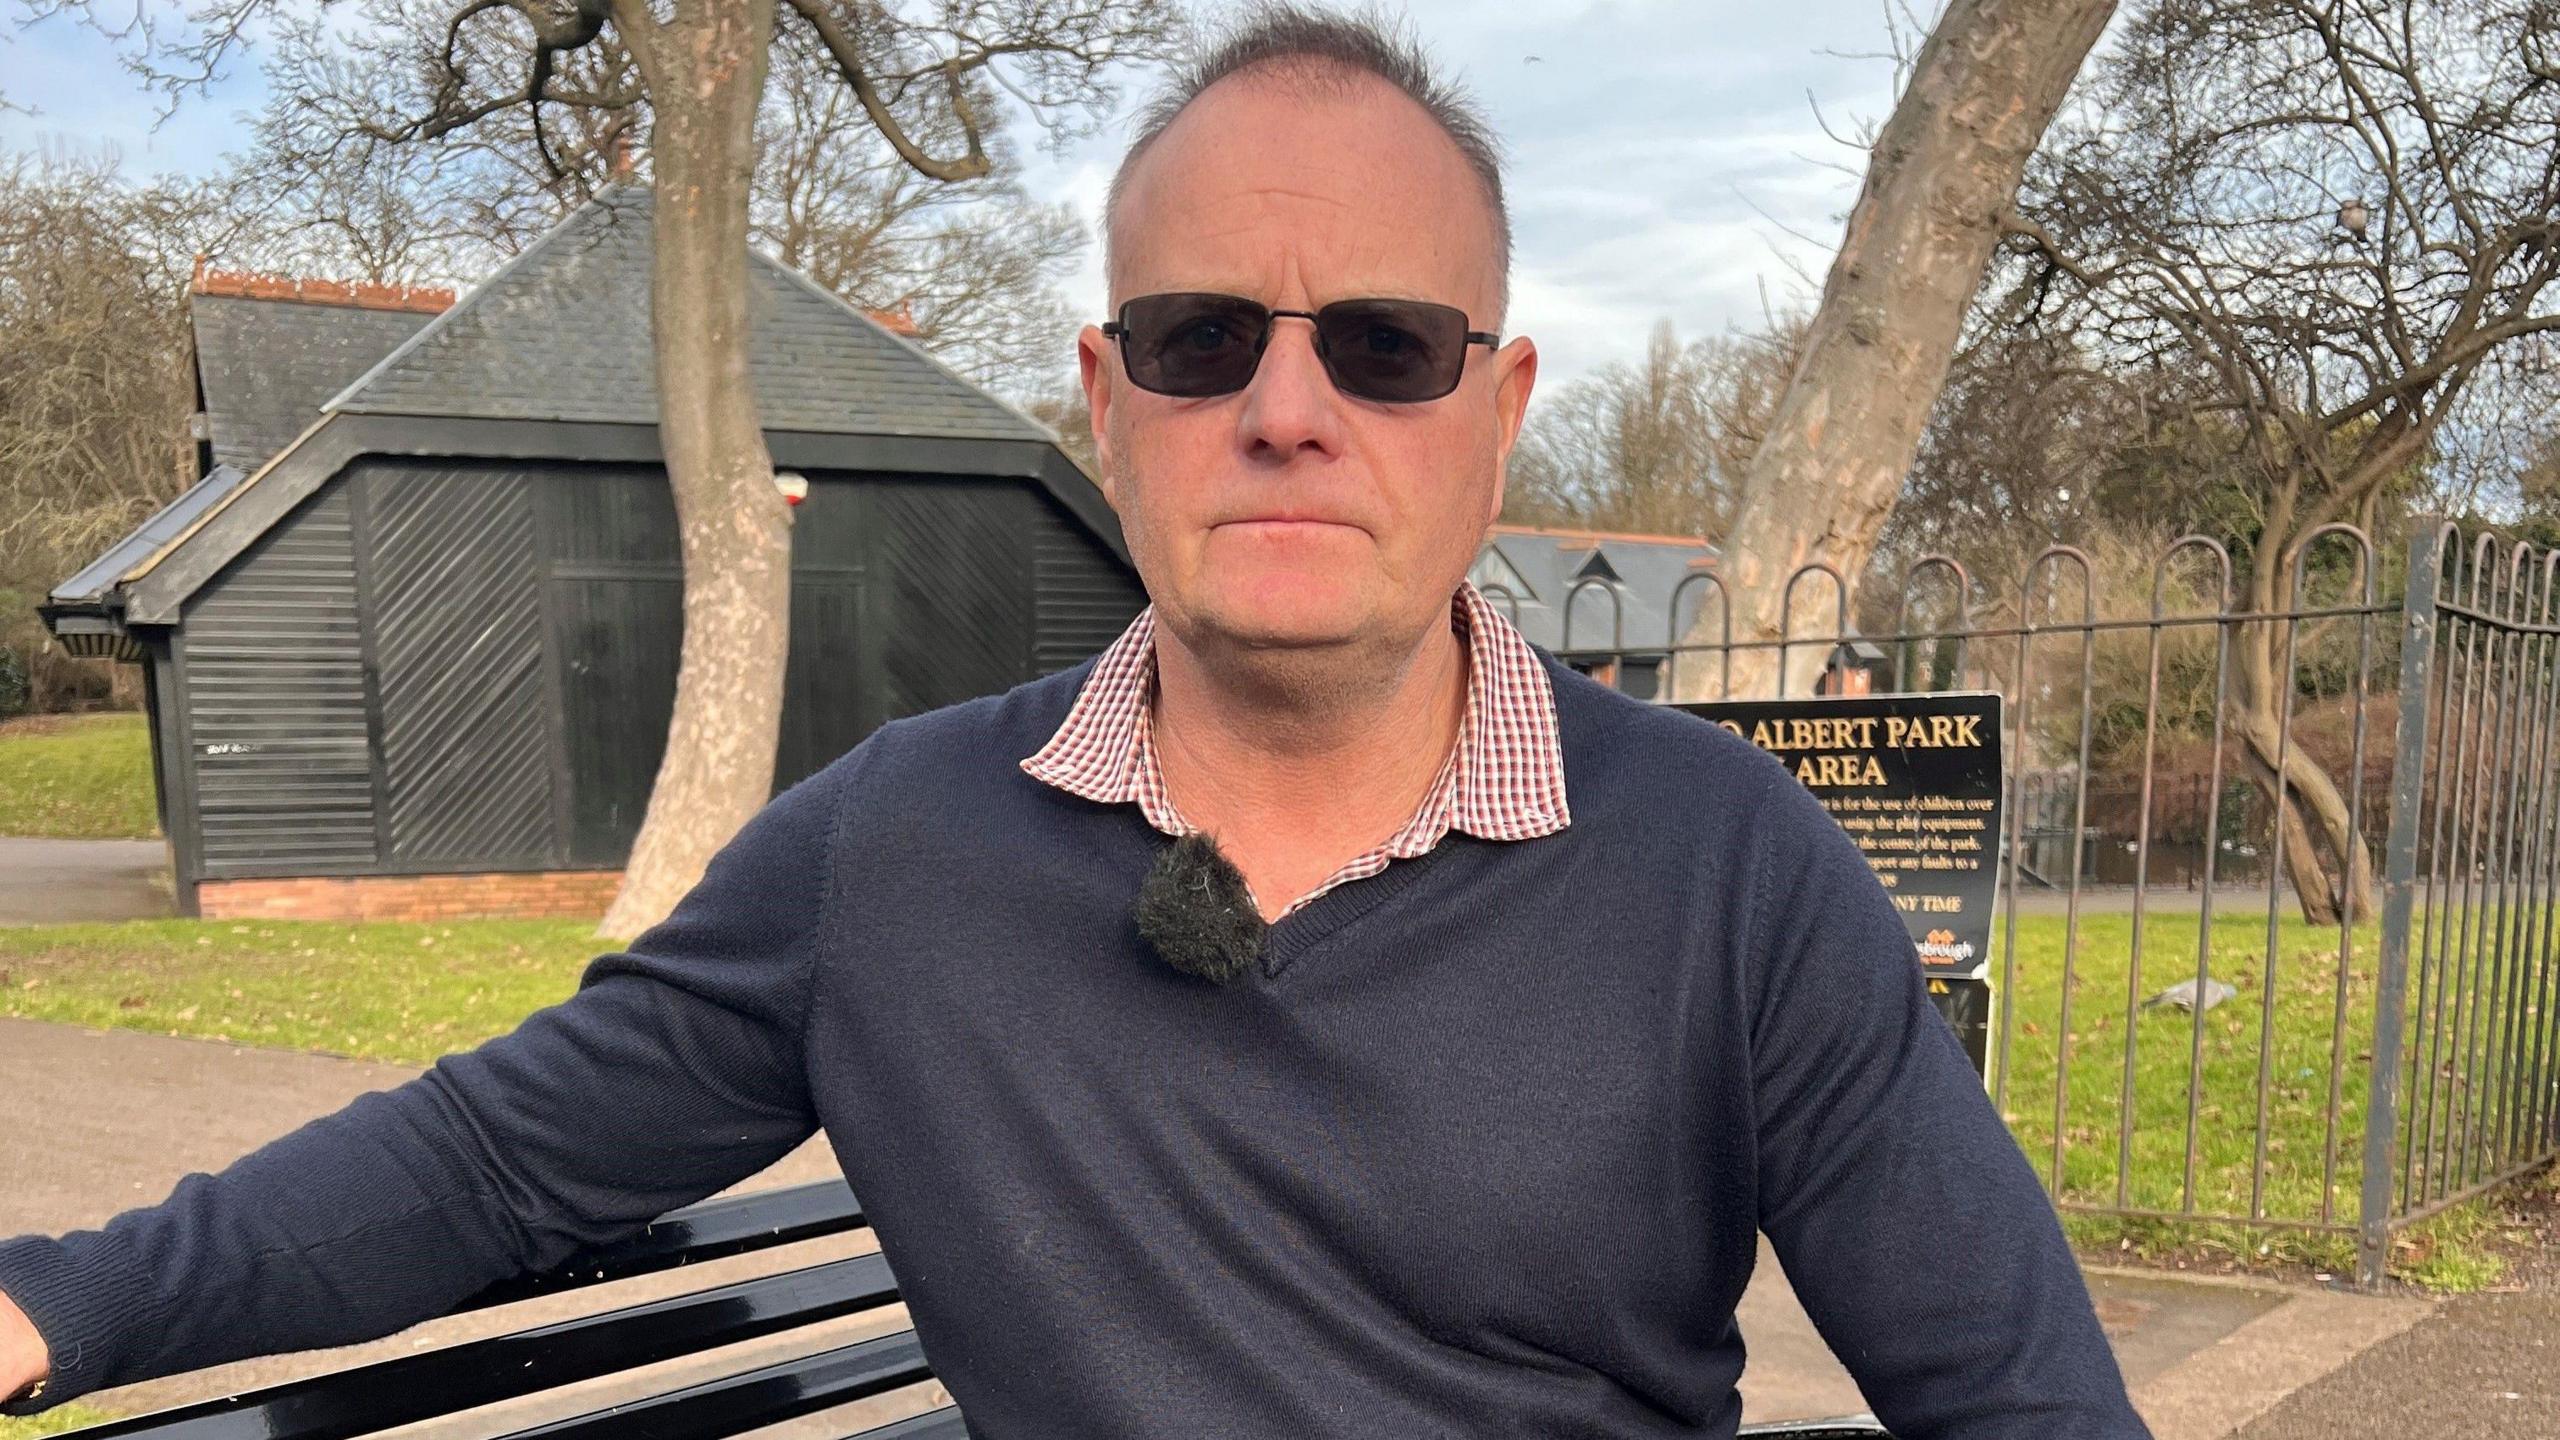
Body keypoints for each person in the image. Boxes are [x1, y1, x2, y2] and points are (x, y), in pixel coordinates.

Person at [0, 7, 2149, 1436]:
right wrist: (57, 1304)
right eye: (1204, 337)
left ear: (1492, 426)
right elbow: (489, 1158)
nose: (1287, 411)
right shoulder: (894, 857)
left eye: (1385, 347)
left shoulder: (1723, 867)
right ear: (1109, 407)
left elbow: (2016, 1395)